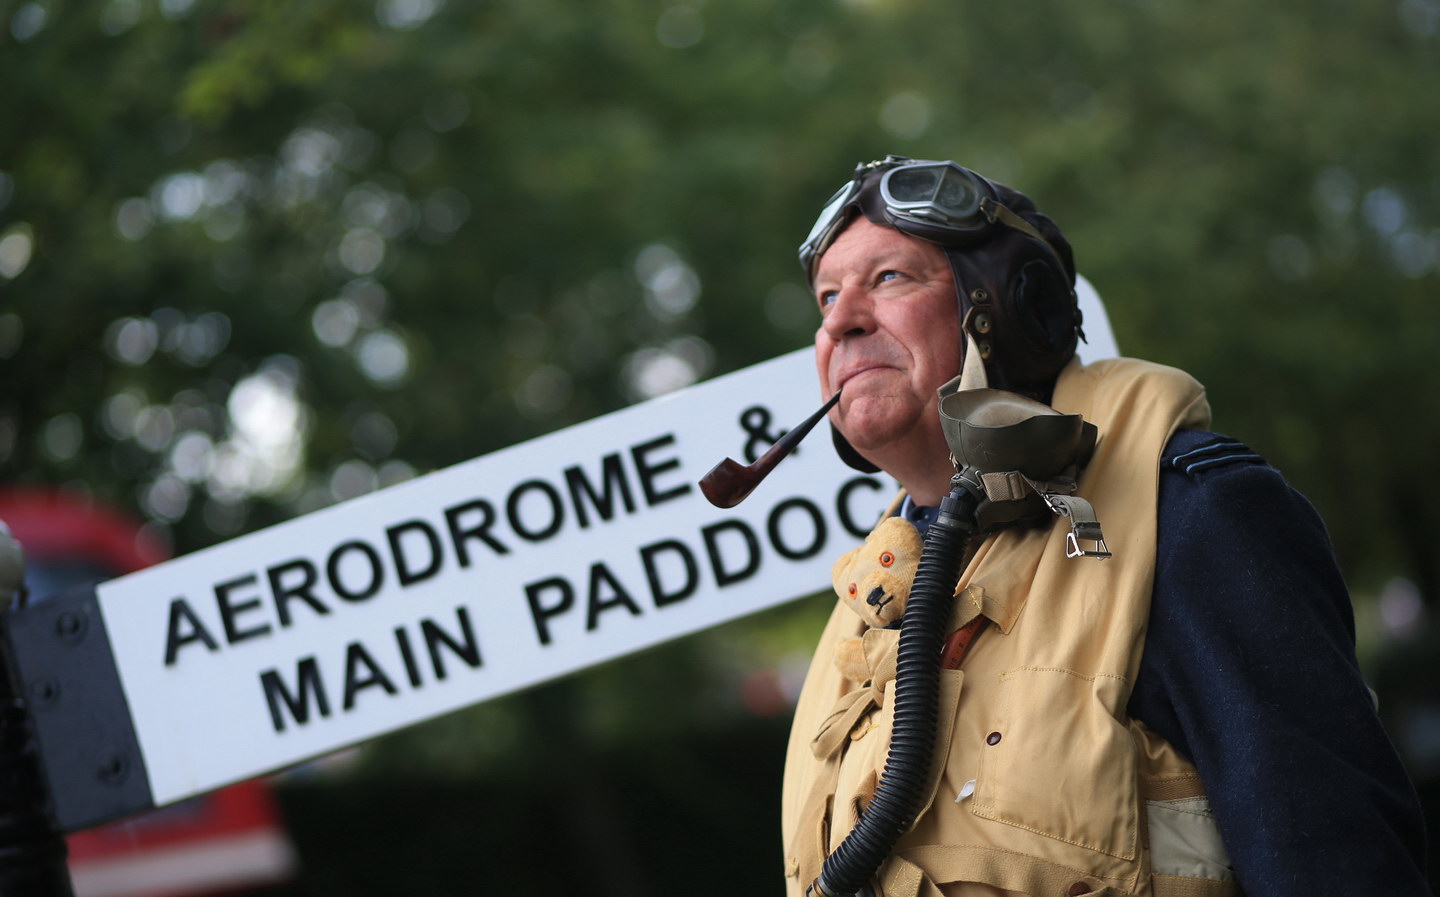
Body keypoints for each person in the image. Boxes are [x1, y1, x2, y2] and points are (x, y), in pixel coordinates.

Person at [779, 156, 1430, 897]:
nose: (840, 320)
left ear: (1015, 309)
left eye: (889, 278)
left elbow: (1339, 867)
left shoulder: (1186, 513)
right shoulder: (869, 602)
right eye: (827, 297)